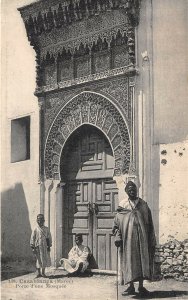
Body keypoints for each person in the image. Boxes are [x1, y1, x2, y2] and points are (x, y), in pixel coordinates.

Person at [112, 181, 156, 297]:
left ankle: (141, 287)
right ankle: (130, 287)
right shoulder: (123, 205)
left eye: (134, 189)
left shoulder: (143, 204)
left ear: (137, 190)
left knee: (142, 262)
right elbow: (117, 223)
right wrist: (118, 237)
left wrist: (151, 238)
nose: (132, 191)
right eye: (129, 189)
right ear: (126, 191)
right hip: (128, 240)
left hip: (142, 239)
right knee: (129, 261)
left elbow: (150, 222)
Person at [30, 214, 52, 278]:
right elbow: (32, 238)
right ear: (37, 220)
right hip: (37, 246)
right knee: (38, 259)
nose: (40, 221)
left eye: (41, 220)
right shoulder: (35, 229)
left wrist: (49, 246)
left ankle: (43, 272)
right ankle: (38, 273)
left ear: (44, 220)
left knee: (44, 259)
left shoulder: (46, 229)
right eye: (39, 220)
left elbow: (49, 238)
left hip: (44, 246)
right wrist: (32, 247)